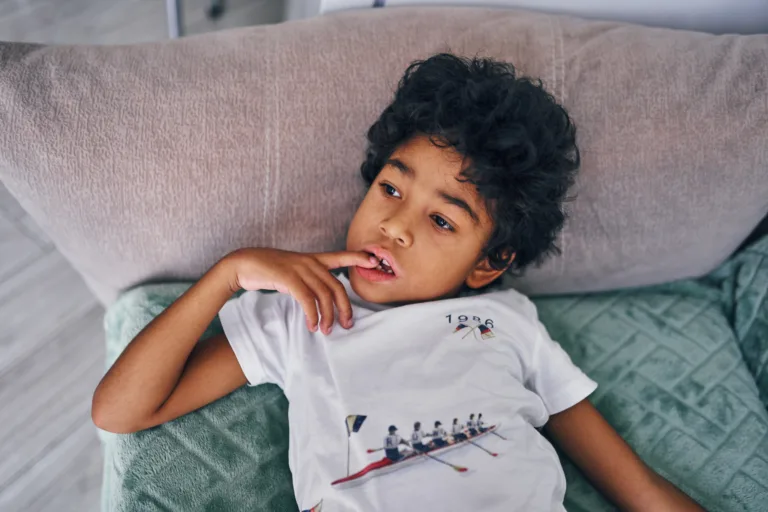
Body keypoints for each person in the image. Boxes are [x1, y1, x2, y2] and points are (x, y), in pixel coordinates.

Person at [92, 53, 703, 511]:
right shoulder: (298, 311)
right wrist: (228, 274)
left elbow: (637, 487)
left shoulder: (509, 321)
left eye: (441, 220)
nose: (394, 226)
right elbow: (121, 411)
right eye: (390, 187)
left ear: (487, 263)